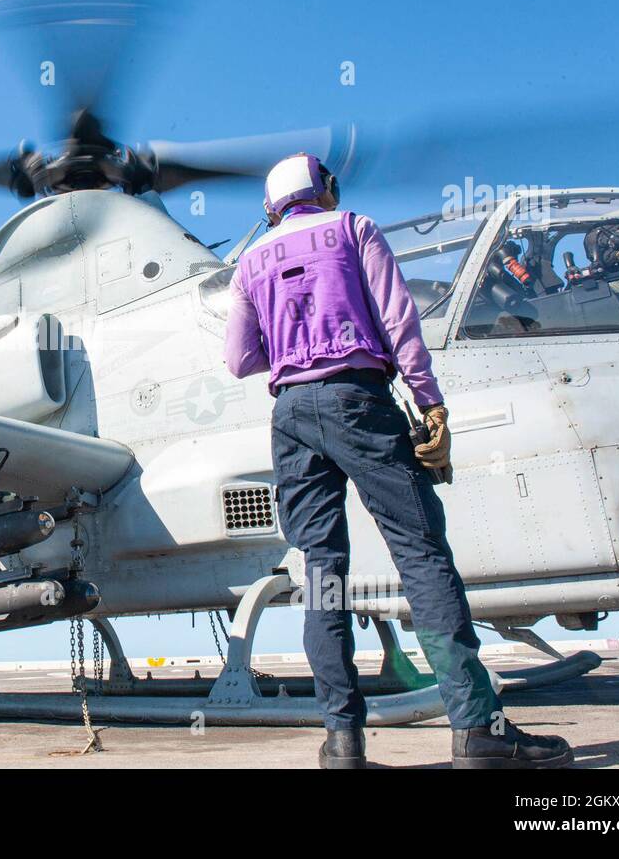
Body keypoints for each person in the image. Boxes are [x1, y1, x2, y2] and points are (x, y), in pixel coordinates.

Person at [223, 153, 573, 769]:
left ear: (271, 207)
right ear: (323, 188)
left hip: (290, 413)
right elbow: (398, 320)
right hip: (358, 397)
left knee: (321, 570)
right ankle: (477, 730)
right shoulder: (353, 228)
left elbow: (240, 360)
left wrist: (292, 344)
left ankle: (342, 743)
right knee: (421, 554)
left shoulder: (250, 262)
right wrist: (430, 404)